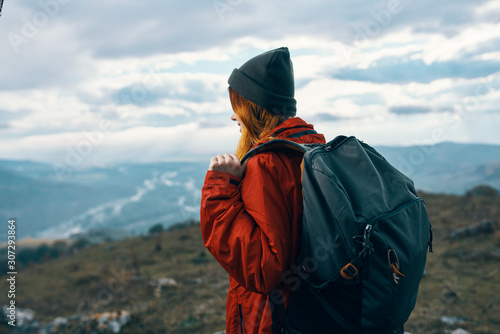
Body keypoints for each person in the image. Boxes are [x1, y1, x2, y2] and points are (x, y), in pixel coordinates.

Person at [200, 47, 326, 333]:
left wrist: (219, 193)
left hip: (276, 319)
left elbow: (262, 269)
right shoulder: (314, 147)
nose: (234, 118)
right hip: (313, 310)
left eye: (238, 106)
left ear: (254, 108)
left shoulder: (264, 164)